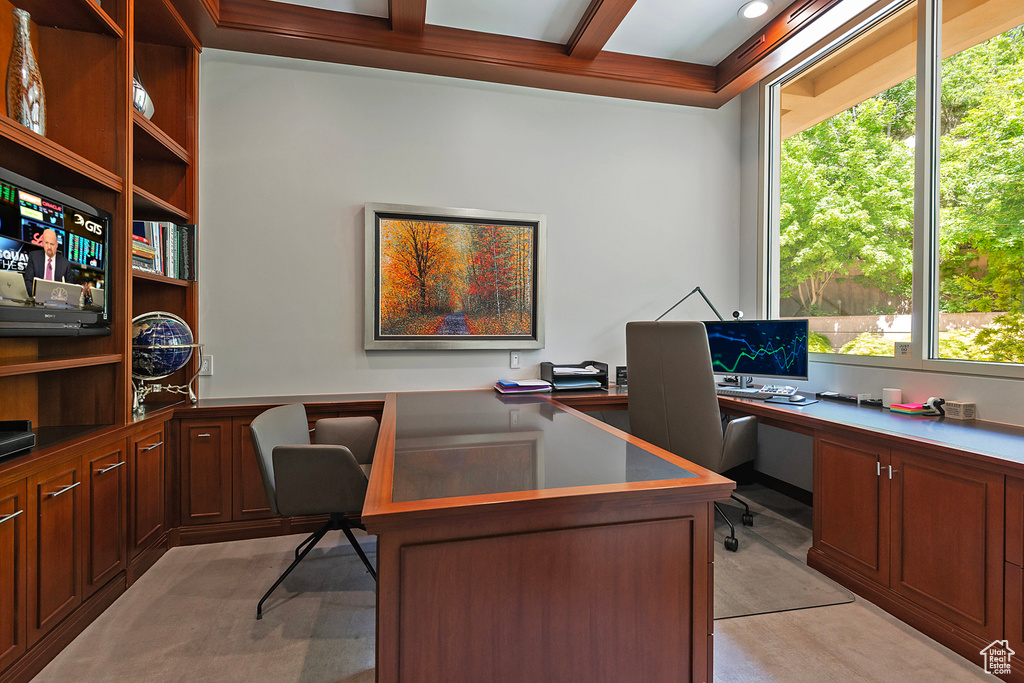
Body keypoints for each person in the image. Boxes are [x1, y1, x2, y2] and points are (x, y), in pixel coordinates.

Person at [22, 227, 72, 295]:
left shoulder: (65, 264)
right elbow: (28, 281)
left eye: (52, 244)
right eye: (46, 243)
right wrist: (36, 295)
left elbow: (69, 289)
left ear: (57, 245)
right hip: (37, 299)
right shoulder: (34, 257)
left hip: (57, 300)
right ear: (43, 243)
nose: (49, 247)